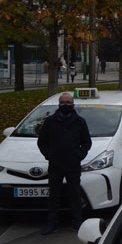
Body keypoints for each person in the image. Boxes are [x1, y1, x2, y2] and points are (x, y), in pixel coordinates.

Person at [37, 93, 92, 235]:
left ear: (73, 105)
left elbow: (86, 142)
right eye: (62, 102)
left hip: (73, 165)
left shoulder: (80, 122)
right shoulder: (50, 121)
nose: (65, 105)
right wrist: (49, 155)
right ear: (58, 104)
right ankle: (52, 224)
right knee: (54, 196)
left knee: (74, 194)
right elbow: (42, 142)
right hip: (55, 165)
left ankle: (77, 223)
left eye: (68, 102)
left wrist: (79, 155)